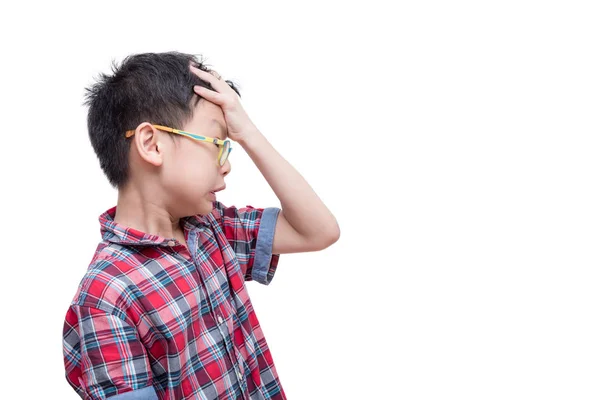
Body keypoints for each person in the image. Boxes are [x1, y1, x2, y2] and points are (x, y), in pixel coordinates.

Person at [62, 51, 340, 400]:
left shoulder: (213, 229)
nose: (226, 165)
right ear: (152, 144)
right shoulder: (106, 298)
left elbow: (318, 230)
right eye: (218, 144)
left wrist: (249, 134)